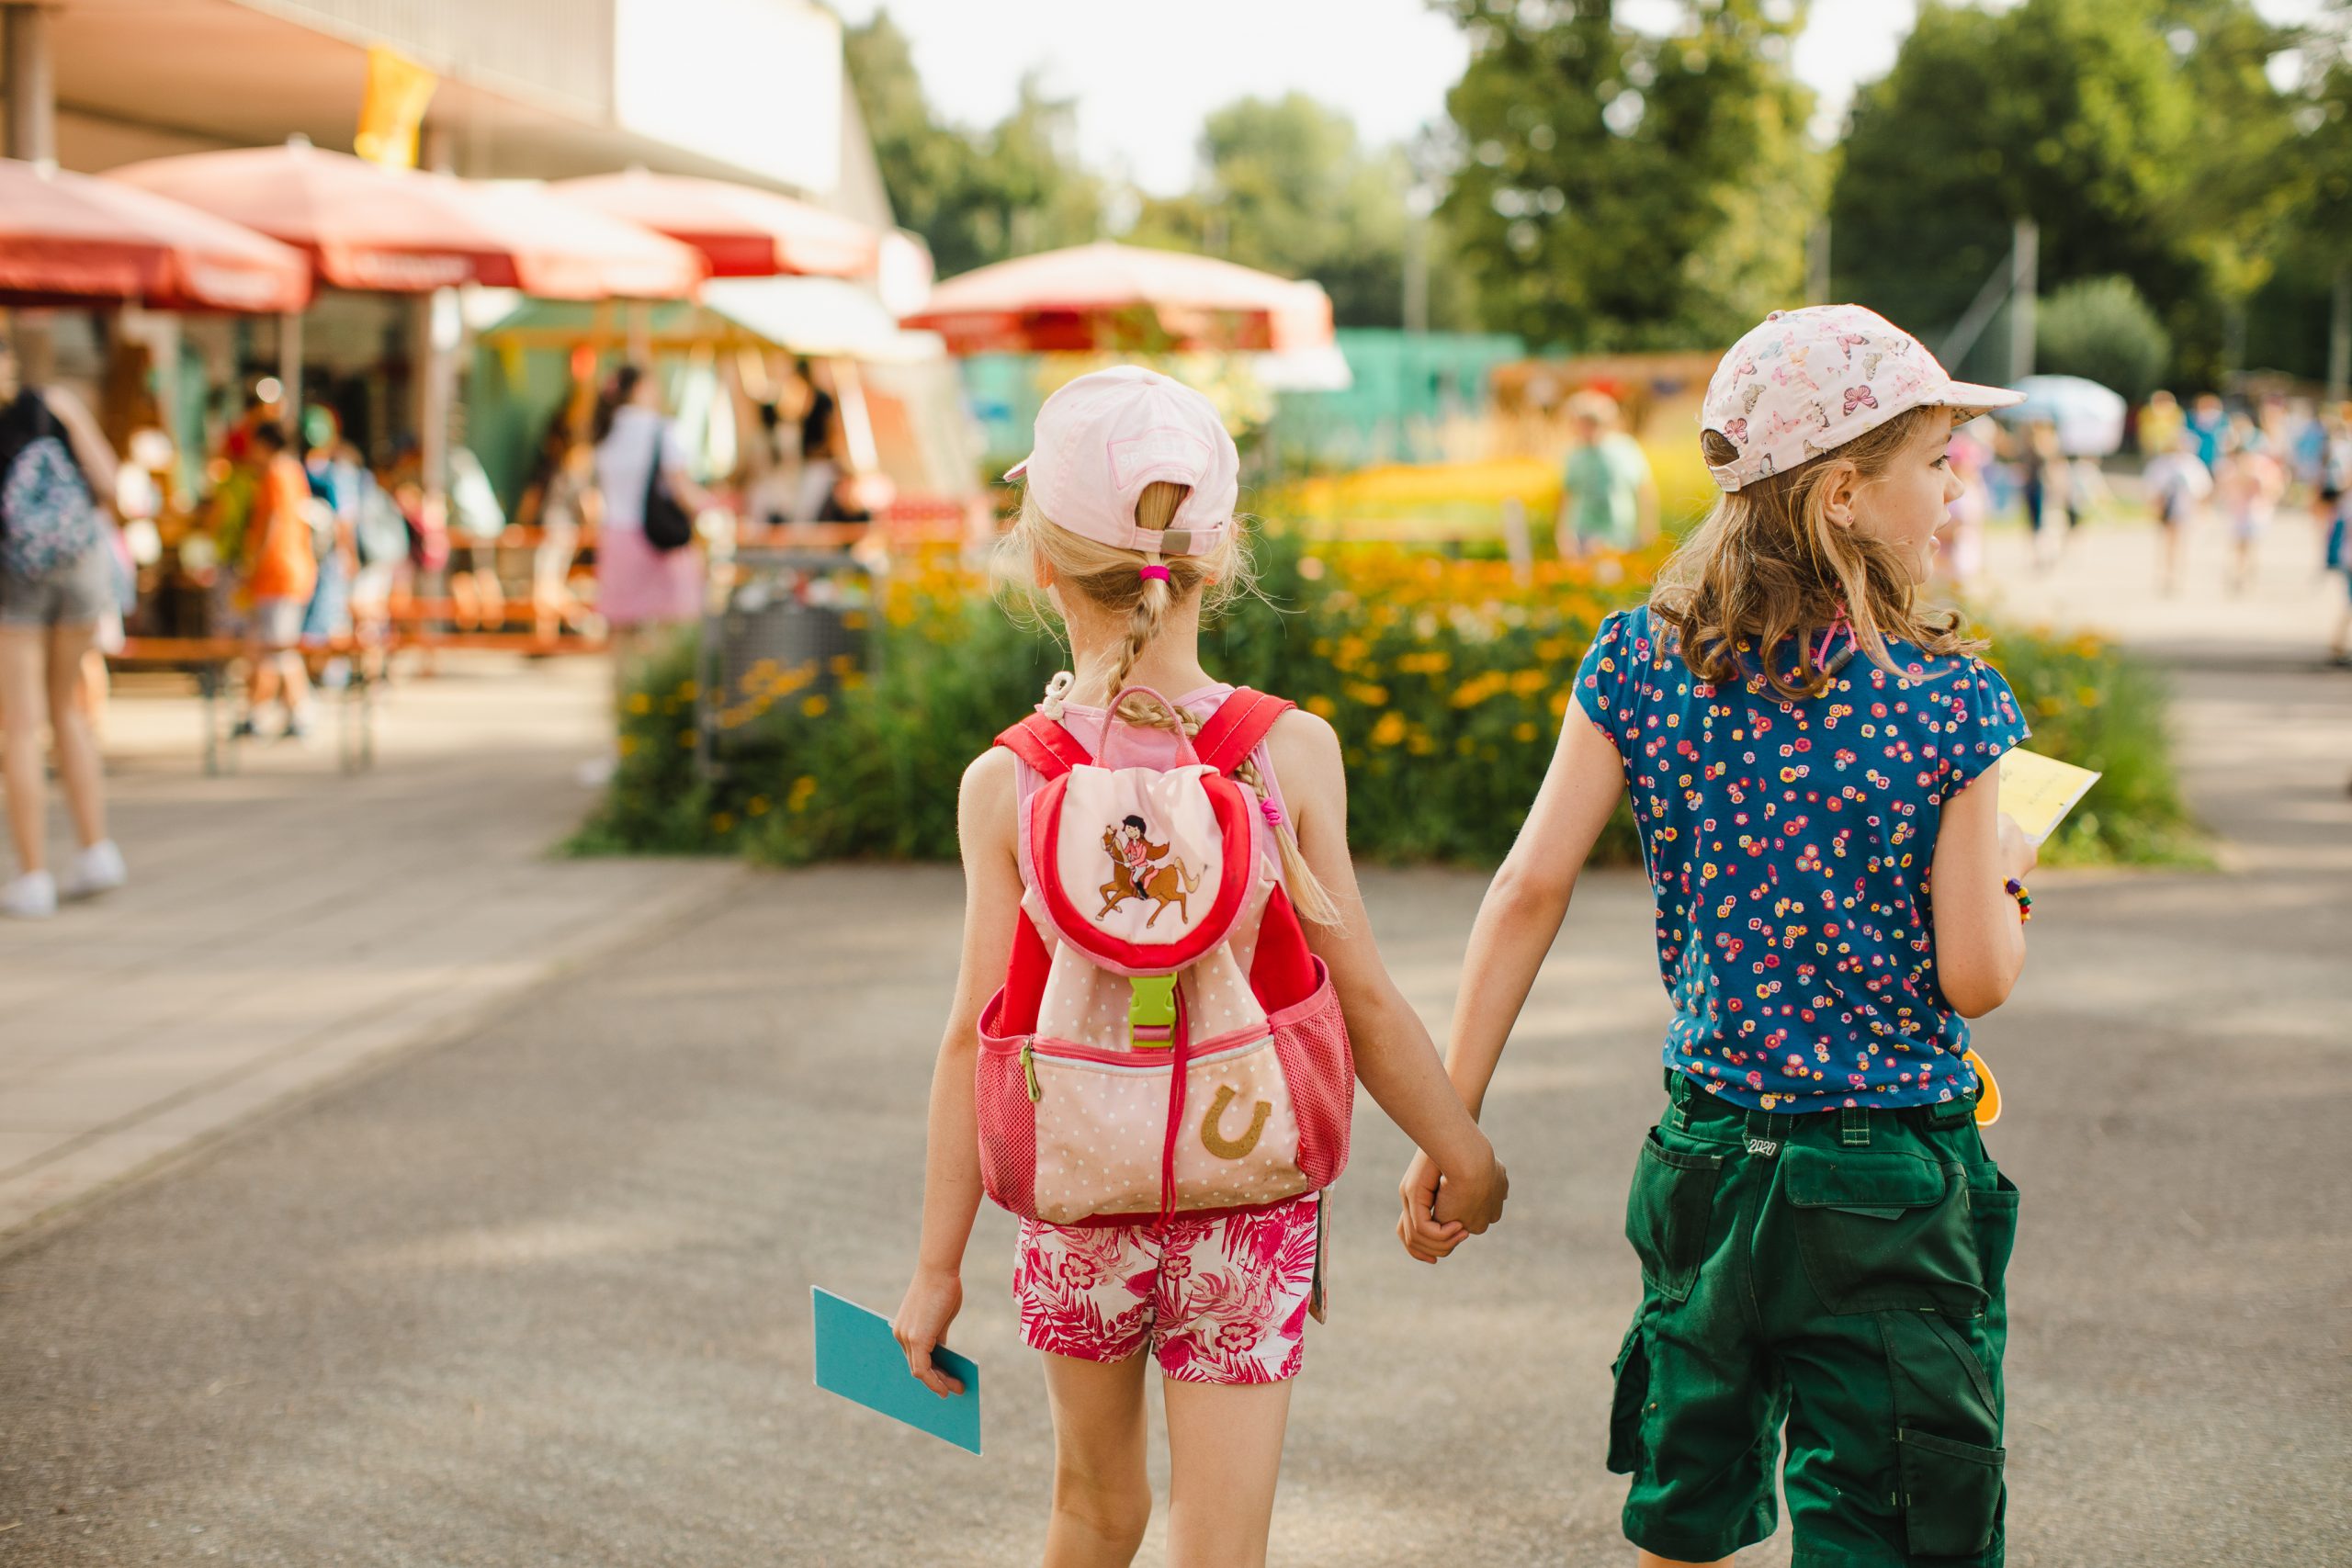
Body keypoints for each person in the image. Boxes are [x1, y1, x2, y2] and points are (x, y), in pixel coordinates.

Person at [1401, 306, 2040, 1568]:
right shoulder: (1953, 700)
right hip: (1888, 1187)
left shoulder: (1640, 658)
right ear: (1847, 492)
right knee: (1900, 1520)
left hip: (1707, 1166)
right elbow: (1978, 974)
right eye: (1934, 455)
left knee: (1688, 1508)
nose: (1953, 476)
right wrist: (2011, 876)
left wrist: (1451, 1117)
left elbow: (1529, 885)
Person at [889, 367, 1508, 1568]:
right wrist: (1463, 1152)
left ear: (1041, 565)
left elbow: (976, 1033)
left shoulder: (1007, 782)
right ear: (1217, 557)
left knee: (1091, 1511)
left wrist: (933, 1267)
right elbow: (1363, 996)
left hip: (1075, 1195)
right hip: (1250, 1196)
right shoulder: (1286, 752)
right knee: (1221, 1544)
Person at [0, 336, 127, 918]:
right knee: (69, 706)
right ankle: (94, 849)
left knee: (18, 727)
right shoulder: (56, 402)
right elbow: (109, 482)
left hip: (13, 579)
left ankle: (32, 876)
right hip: (79, 567)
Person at [589, 366, 714, 778]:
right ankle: (662, 736)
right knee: (666, 641)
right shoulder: (660, 429)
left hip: (617, 540)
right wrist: (718, 508)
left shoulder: (605, 433)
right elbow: (680, 488)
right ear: (641, 388)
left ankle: (621, 741)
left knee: (621, 649)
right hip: (656, 543)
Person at [236, 419, 318, 739]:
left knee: (278, 649)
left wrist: (254, 561)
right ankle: (265, 710)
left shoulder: (276, 472)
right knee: (269, 647)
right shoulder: (293, 471)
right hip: (289, 571)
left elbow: (274, 523)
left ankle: (299, 711)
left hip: (278, 573)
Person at [515, 417, 598, 644]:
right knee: (545, 584)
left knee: (545, 585)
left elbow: (588, 507)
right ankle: (545, 639)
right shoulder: (565, 471)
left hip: (558, 533)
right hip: (557, 532)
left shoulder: (572, 473)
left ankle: (581, 619)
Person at [1556, 389, 1659, 557]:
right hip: (1583, 533)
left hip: (1619, 534)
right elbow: (1566, 496)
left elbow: (1644, 489)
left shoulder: (1625, 449)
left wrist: (1648, 528)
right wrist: (1563, 535)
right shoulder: (1575, 455)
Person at [2214, 415, 2284, 596]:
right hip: (2237, 513)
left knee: (2251, 546)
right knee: (2238, 546)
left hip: (2256, 512)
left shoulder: (2262, 466)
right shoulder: (2231, 467)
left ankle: (2247, 576)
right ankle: (2237, 573)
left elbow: (2273, 489)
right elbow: (2223, 487)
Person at [2143, 430, 2212, 596]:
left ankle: (2179, 576)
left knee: (2182, 544)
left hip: (2186, 510)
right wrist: (2155, 505)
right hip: (2168, 510)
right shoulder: (2162, 464)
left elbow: (2203, 490)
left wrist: (2201, 509)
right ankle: (2167, 575)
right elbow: (2152, 487)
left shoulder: (2193, 465)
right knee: (2168, 543)